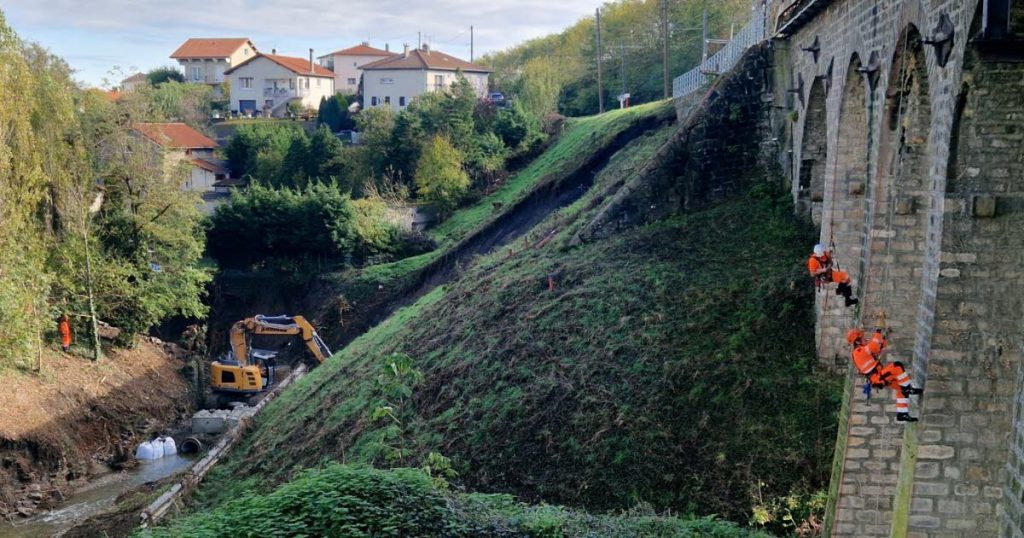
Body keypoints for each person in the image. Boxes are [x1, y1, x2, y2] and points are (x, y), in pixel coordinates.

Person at [846, 328, 923, 422]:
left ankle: (902, 414)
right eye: (862, 337)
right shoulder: (859, 351)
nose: (864, 339)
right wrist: (878, 330)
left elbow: (878, 348)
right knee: (897, 366)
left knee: (900, 388)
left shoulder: (861, 350)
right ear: (857, 341)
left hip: (878, 376)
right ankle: (908, 388)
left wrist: (884, 337)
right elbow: (874, 346)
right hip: (877, 377)